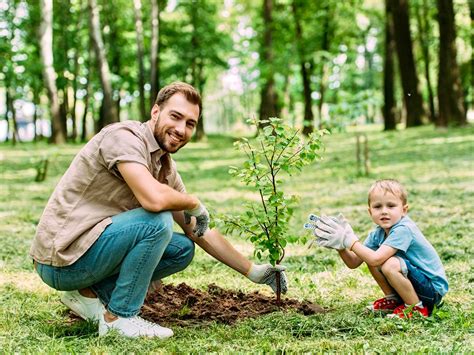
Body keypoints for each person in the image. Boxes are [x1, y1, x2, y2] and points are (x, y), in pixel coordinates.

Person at [30, 82, 287, 338]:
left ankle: (88, 294)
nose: (181, 129)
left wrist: (253, 271)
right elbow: (154, 200)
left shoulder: (163, 165)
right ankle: (118, 319)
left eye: (190, 123)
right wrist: (193, 202)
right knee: (158, 221)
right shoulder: (123, 138)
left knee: (182, 250)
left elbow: (198, 230)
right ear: (155, 112)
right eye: (175, 116)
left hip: (88, 252)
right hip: (62, 260)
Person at [308, 179, 448, 319]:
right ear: (370, 212)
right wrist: (341, 246)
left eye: (391, 206)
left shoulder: (404, 229)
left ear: (404, 210)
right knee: (369, 254)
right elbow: (354, 262)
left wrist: (349, 240)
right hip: (415, 287)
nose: (384, 211)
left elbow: (376, 259)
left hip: (431, 291)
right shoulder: (378, 233)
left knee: (388, 263)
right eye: (377, 207)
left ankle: (415, 309)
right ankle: (394, 300)